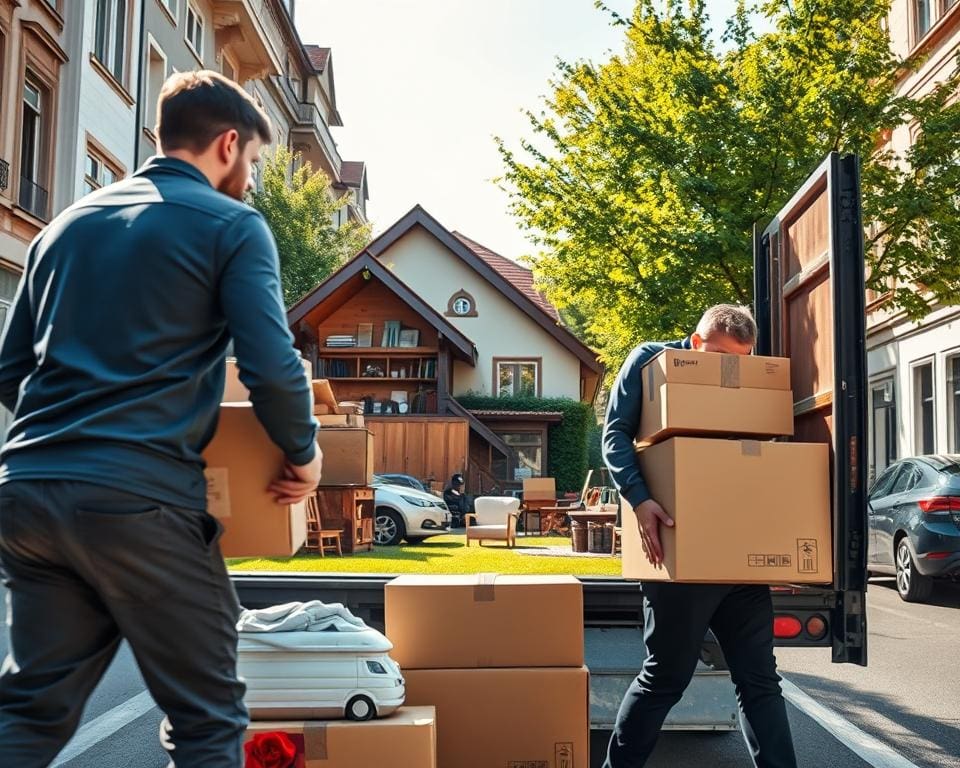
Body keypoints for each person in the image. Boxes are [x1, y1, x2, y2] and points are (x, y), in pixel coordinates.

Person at [0, 70, 322, 767]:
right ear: (228, 144)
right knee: (207, 719)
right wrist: (305, 451)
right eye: (255, 165)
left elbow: (9, 370)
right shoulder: (232, 226)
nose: (252, 181)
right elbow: (271, 364)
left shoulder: (59, 230)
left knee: (30, 710)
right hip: (140, 501)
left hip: (26, 494)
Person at [602, 304, 797, 768]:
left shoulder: (748, 379)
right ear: (693, 342)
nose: (728, 370)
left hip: (739, 557)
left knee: (760, 681)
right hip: (679, 548)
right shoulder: (651, 362)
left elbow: (763, 462)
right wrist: (640, 498)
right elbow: (616, 435)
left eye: (739, 360)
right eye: (717, 356)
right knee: (666, 678)